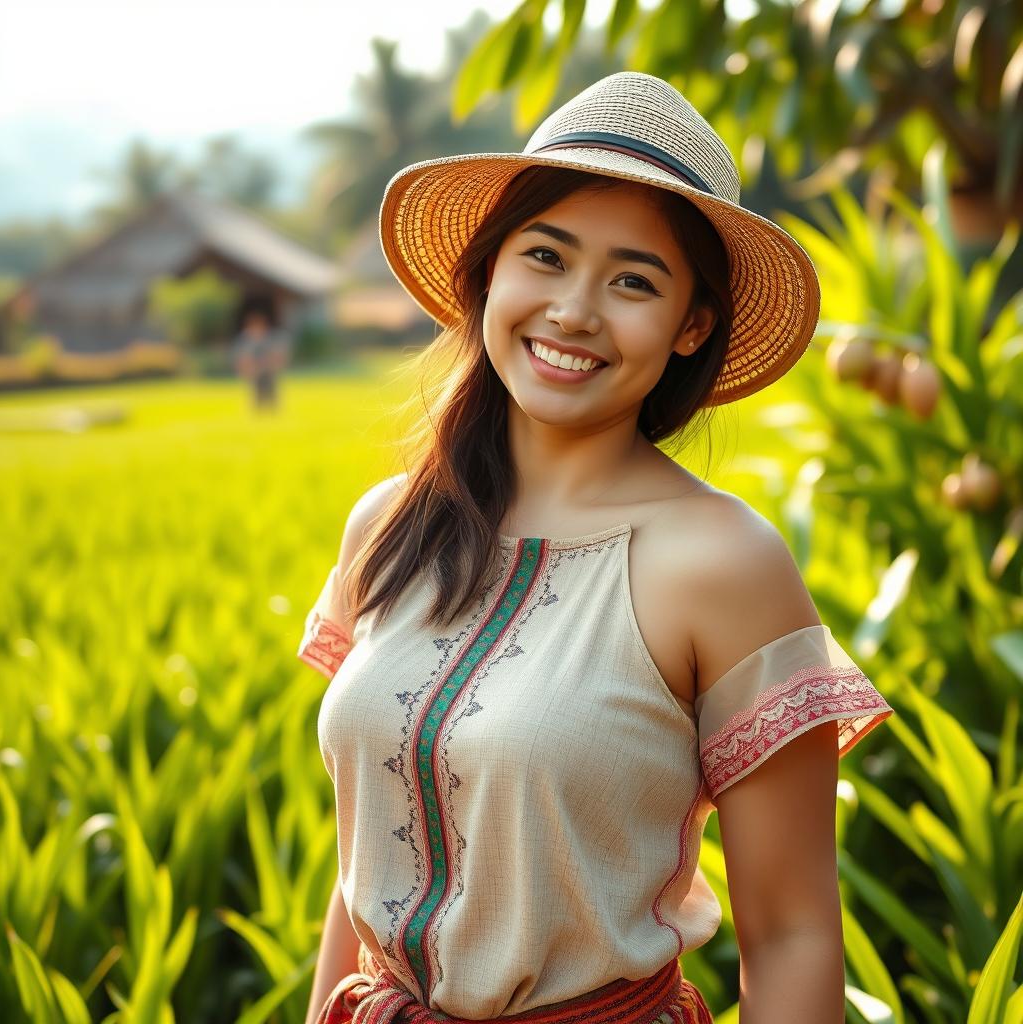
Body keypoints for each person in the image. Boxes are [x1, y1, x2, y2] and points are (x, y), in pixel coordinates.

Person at [297, 72, 895, 1024]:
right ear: (490, 272)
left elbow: (791, 936)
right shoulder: (390, 526)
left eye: (633, 281)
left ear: (691, 324)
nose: (575, 311)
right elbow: (358, 877)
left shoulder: (723, 563)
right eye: (546, 255)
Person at [231, 310, 290, 410]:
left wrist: (272, 364)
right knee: (257, 393)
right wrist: (247, 368)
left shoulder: (271, 337)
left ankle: (272, 409)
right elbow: (242, 357)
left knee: (271, 392)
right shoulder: (245, 339)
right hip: (255, 371)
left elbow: (278, 354)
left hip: (268, 369)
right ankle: (259, 409)